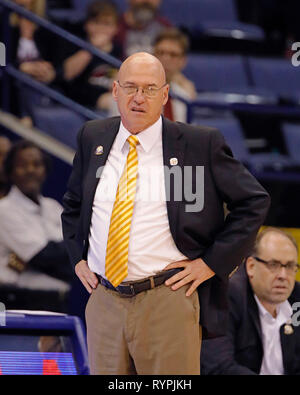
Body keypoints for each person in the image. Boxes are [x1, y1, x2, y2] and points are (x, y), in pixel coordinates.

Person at [61, 52, 270, 375]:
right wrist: (77, 258)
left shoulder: (200, 144)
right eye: (130, 87)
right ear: (115, 91)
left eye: (149, 89)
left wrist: (212, 263)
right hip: (103, 299)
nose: (139, 98)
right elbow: (74, 204)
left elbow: (253, 201)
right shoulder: (93, 137)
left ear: (165, 95)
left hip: (167, 298)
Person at [201, 227, 300, 375]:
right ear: (251, 266)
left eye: (290, 266)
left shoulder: (297, 299)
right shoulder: (224, 298)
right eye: (274, 265)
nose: (283, 275)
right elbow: (218, 367)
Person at [0, 140, 72, 295]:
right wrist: (72, 246)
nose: (30, 170)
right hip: (19, 299)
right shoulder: (4, 209)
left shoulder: (52, 206)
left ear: (45, 170)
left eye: (37, 164)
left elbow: (81, 251)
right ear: (10, 171)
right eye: (22, 165)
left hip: (59, 298)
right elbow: (42, 256)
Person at [63, 0, 121, 112]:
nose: (101, 28)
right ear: (86, 25)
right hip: (82, 100)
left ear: (116, 29)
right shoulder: (76, 45)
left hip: (109, 96)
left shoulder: (118, 50)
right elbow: (67, 74)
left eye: (107, 24)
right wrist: (92, 48)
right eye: (96, 22)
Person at [154, 27, 197, 122]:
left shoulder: (185, 96)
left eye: (173, 55)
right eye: (161, 53)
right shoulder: (138, 92)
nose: (165, 59)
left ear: (183, 61)